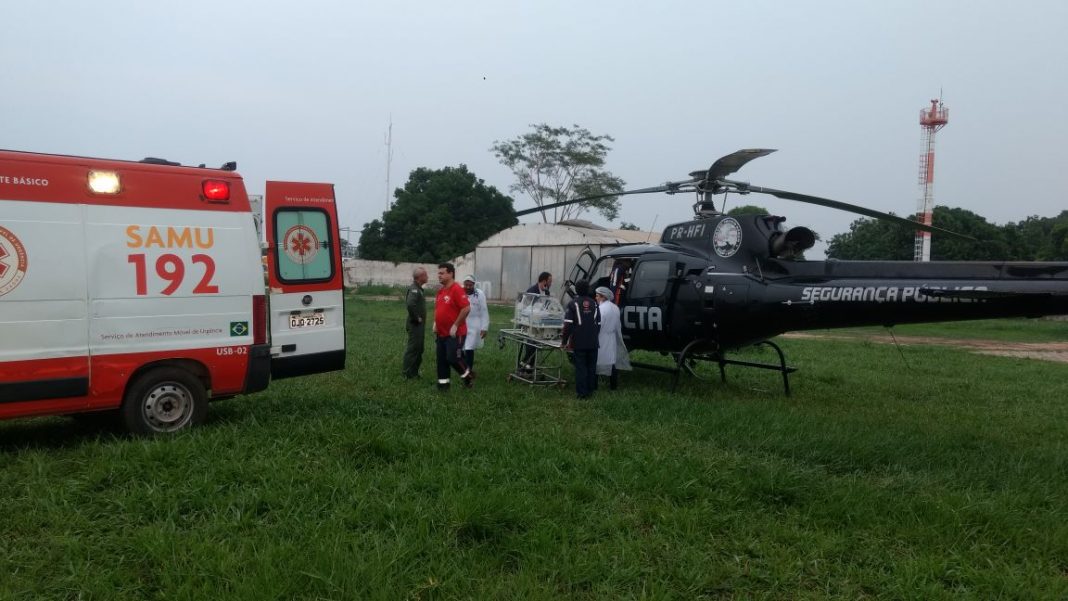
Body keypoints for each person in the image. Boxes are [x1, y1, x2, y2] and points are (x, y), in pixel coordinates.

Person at [434, 262, 473, 390]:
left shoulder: (456, 289)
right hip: (441, 333)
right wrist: (435, 323)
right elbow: (439, 309)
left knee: (453, 358)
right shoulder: (440, 291)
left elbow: (466, 308)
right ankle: (443, 386)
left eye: (442, 273)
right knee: (442, 360)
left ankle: (468, 376)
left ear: (451, 274)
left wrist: (456, 325)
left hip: (455, 333)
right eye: (438, 273)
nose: (439, 275)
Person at [561, 279, 600, 399]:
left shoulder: (573, 304)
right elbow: (599, 324)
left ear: (576, 290)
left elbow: (567, 325)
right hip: (593, 342)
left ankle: (582, 394)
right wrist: (593, 336)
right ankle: (590, 391)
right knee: (591, 367)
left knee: (581, 367)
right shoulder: (594, 303)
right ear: (588, 289)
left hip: (579, 342)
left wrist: (564, 342)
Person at [594, 286, 631, 390]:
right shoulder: (615, 308)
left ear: (603, 297)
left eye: (597, 296)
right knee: (612, 362)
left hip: (601, 337)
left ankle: (594, 386)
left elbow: (597, 325)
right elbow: (618, 325)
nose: (596, 298)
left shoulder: (600, 309)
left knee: (597, 362)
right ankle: (613, 386)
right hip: (612, 338)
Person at [520, 271, 553, 370]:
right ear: (544, 281)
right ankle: (526, 366)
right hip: (528, 323)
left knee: (536, 344)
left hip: (540, 322)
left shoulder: (547, 292)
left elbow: (546, 307)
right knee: (531, 344)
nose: (551, 284)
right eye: (550, 281)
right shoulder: (532, 291)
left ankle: (528, 365)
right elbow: (525, 308)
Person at [402, 266, 428, 379]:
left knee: (419, 348)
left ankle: (414, 372)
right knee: (413, 349)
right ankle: (407, 373)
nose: (427, 277)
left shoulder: (419, 289)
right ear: (420, 277)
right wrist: (417, 317)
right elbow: (410, 304)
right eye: (426, 275)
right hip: (415, 324)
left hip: (419, 325)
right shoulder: (414, 289)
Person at [461, 274, 490, 370]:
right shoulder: (459, 292)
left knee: (469, 347)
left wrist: (484, 327)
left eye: (470, 285)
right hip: (461, 323)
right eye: (466, 285)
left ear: (474, 284)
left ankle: (468, 370)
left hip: (474, 325)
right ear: (464, 284)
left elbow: (484, 311)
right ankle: (463, 367)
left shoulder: (480, 294)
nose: (468, 287)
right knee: (459, 348)